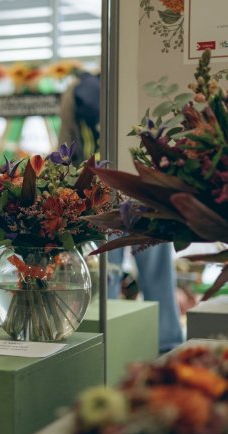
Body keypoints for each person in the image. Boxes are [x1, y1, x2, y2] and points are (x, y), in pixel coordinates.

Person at [58, 72, 184, 353]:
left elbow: (66, 143)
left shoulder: (76, 91)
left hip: (98, 193)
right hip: (144, 188)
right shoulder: (140, 83)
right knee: (158, 274)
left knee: (105, 276)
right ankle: (168, 342)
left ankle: (106, 341)